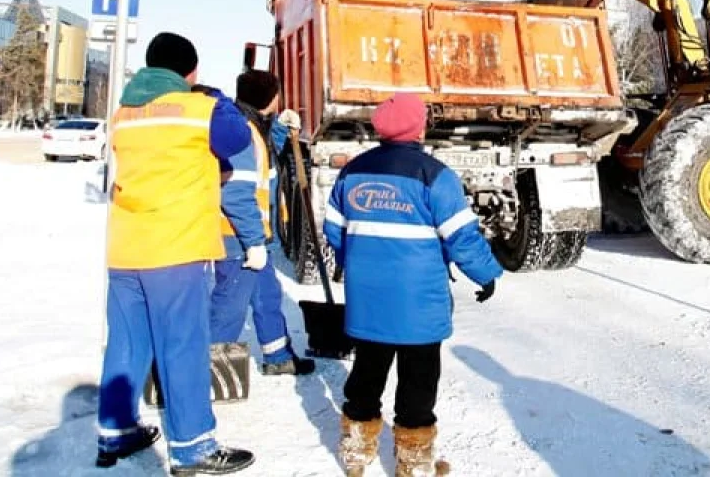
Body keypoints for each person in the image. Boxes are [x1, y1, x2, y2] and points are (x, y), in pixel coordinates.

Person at [95, 32, 256, 475]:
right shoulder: (200, 110)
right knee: (183, 345)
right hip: (175, 247)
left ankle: (116, 430)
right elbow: (238, 136)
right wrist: (215, 96)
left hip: (126, 248)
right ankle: (192, 447)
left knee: (127, 342)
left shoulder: (123, 114)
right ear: (189, 71)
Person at [325, 92, 503, 477]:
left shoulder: (351, 172)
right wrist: (486, 273)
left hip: (367, 300)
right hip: (418, 304)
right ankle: (415, 463)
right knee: (418, 383)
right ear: (417, 127)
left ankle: (356, 453)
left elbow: (335, 232)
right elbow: (462, 238)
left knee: (367, 373)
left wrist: (353, 263)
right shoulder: (434, 175)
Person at [206, 70, 315, 376]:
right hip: (239, 236)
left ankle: (277, 355)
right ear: (270, 97)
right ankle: (209, 374)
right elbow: (237, 194)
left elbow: (264, 158)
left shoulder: (251, 127)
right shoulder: (240, 133)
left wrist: (279, 128)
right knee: (230, 305)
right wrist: (253, 242)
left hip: (255, 235)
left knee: (267, 295)